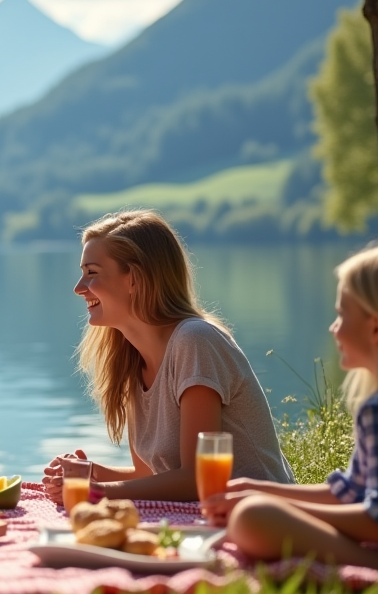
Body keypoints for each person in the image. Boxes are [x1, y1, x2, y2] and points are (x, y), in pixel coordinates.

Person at [201, 241, 378, 569]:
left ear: (376, 328)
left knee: (254, 518)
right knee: (255, 510)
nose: (333, 327)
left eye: (340, 315)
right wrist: (260, 489)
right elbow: (352, 492)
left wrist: (268, 503)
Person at [42, 210, 293, 503]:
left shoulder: (195, 341)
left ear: (134, 279)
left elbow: (196, 480)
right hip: (203, 516)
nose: (78, 288)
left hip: (261, 516)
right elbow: (151, 477)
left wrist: (95, 492)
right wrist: (91, 473)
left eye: (92, 273)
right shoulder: (132, 360)